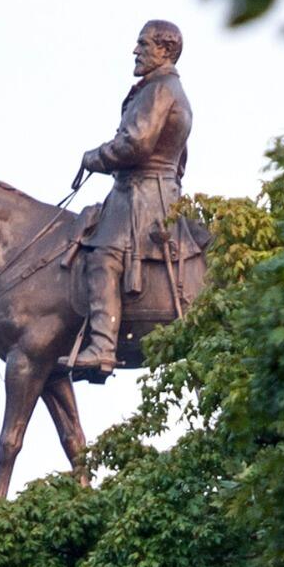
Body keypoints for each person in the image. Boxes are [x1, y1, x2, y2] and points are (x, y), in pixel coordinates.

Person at [68, 19, 192, 381]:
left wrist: (95, 157)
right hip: (157, 187)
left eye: (143, 44)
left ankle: (102, 346)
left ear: (165, 51)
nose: (135, 51)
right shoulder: (165, 90)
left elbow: (135, 144)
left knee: (103, 256)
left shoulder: (160, 90)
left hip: (142, 193)